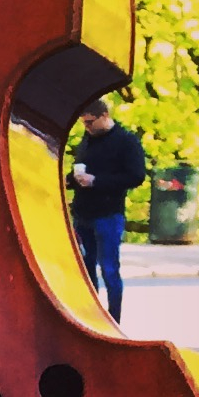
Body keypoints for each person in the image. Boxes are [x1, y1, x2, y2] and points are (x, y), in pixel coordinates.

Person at [69, 97, 147, 322]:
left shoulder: (126, 141)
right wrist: (71, 180)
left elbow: (136, 176)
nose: (88, 127)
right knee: (85, 268)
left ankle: (114, 319)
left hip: (108, 213)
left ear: (105, 116)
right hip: (83, 212)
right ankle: (90, 315)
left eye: (91, 122)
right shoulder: (88, 139)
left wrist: (97, 181)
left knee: (109, 269)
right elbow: (82, 172)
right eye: (84, 123)